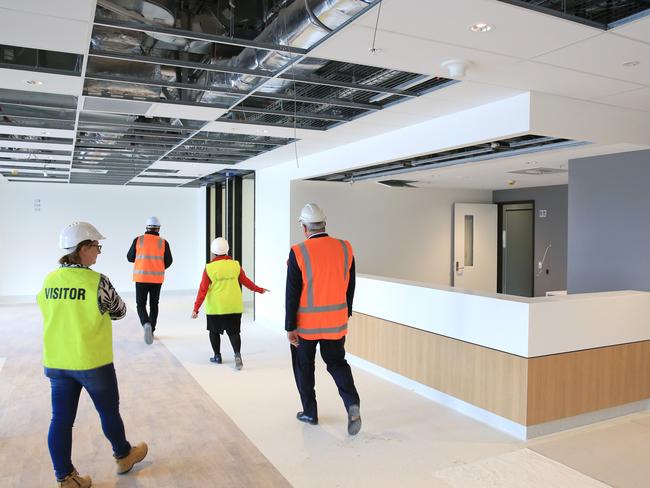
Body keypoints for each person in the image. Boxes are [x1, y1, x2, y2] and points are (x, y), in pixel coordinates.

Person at [37, 222, 148, 488]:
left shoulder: (50, 280)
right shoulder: (97, 281)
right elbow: (119, 311)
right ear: (83, 249)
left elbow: (43, 306)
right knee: (108, 411)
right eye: (96, 247)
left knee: (60, 420)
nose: (98, 252)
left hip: (57, 361)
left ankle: (65, 478)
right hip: (92, 362)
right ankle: (123, 455)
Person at [285, 203, 361, 435]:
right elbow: (351, 285)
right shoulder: (345, 247)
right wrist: (345, 312)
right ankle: (352, 404)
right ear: (324, 223)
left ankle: (310, 412)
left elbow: (292, 293)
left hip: (306, 326)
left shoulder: (298, 252)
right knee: (337, 363)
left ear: (304, 227)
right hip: (336, 323)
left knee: (304, 367)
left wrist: (290, 326)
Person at [191, 237, 268, 370]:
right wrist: (259, 290)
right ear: (227, 250)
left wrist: (196, 309)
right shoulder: (235, 265)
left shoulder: (209, 268)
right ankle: (237, 355)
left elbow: (203, 289)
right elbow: (246, 281)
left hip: (216, 307)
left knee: (214, 332)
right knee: (234, 333)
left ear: (213, 251)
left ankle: (217, 356)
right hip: (234, 306)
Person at [126, 216, 172, 344]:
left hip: (141, 278)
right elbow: (169, 261)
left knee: (141, 305)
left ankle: (146, 323)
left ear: (146, 227)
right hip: (157, 279)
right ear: (158, 228)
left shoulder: (138, 240)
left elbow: (129, 257)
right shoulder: (163, 242)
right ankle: (151, 330)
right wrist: (158, 266)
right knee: (154, 305)